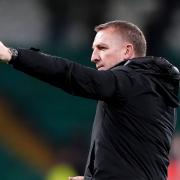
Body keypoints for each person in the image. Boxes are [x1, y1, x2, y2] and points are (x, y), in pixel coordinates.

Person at [0, 20, 179, 180]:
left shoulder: (133, 82)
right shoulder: (148, 88)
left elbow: (70, 74)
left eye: (102, 48)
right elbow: (134, 162)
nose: (93, 57)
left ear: (127, 51)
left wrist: (13, 55)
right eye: (93, 49)